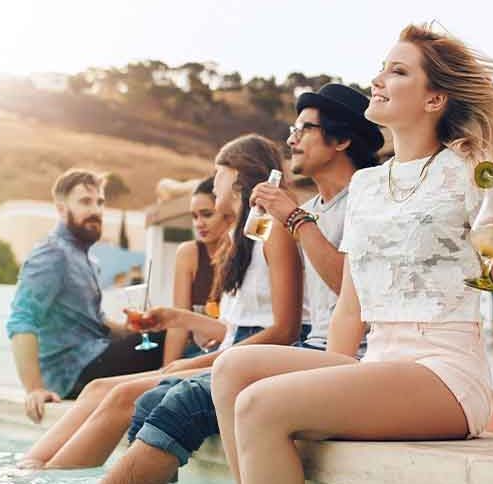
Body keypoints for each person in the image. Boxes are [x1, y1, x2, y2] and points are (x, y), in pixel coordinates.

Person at [211, 23, 493, 484]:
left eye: (397, 72)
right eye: (381, 69)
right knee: (232, 368)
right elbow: (351, 306)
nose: (377, 80)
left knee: (261, 405)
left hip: (445, 371)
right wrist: (329, 373)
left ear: (435, 99)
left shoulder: (473, 174)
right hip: (378, 360)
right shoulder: (368, 184)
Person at [99, 83, 383, 484]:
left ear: (341, 139)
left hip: (354, 358)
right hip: (309, 350)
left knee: (186, 400)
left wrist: (294, 220)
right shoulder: (313, 209)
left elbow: (356, 289)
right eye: (292, 128)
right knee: (152, 399)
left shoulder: (365, 201)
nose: (291, 139)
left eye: (304, 129)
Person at [17, 134, 304, 469]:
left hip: (247, 360)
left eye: (219, 174)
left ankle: (47, 474)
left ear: (238, 176)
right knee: (97, 388)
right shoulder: (241, 241)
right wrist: (174, 318)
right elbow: (238, 326)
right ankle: (31, 468)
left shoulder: (273, 232)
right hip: (231, 352)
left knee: (123, 396)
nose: (214, 186)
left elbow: (284, 329)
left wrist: (188, 360)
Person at [6, 169, 166, 424]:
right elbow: (22, 319)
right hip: (73, 373)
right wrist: (34, 389)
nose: (96, 210)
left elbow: (92, 321)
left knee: (169, 330)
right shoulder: (52, 253)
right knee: (169, 339)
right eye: (85, 202)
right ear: (61, 209)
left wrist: (127, 329)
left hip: (93, 357)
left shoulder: (86, 257)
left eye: (99, 202)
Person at [162, 176, 230, 363]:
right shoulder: (189, 253)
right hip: (194, 353)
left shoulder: (243, 254)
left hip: (228, 353)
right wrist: (164, 373)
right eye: (194, 216)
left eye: (207, 214)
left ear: (228, 213)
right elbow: (178, 326)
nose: (199, 223)